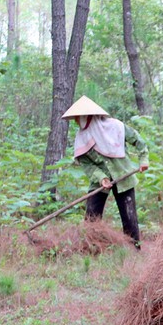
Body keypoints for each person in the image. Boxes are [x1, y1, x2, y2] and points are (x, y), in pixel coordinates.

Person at [61, 95, 149, 248]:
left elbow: (138, 141)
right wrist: (101, 178)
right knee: (92, 216)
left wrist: (143, 160)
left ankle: (134, 249)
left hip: (122, 174)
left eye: (77, 118)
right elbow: (88, 165)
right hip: (100, 181)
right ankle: (91, 247)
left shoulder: (115, 126)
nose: (76, 121)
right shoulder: (81, 138)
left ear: (86, 117)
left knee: (129, 216)